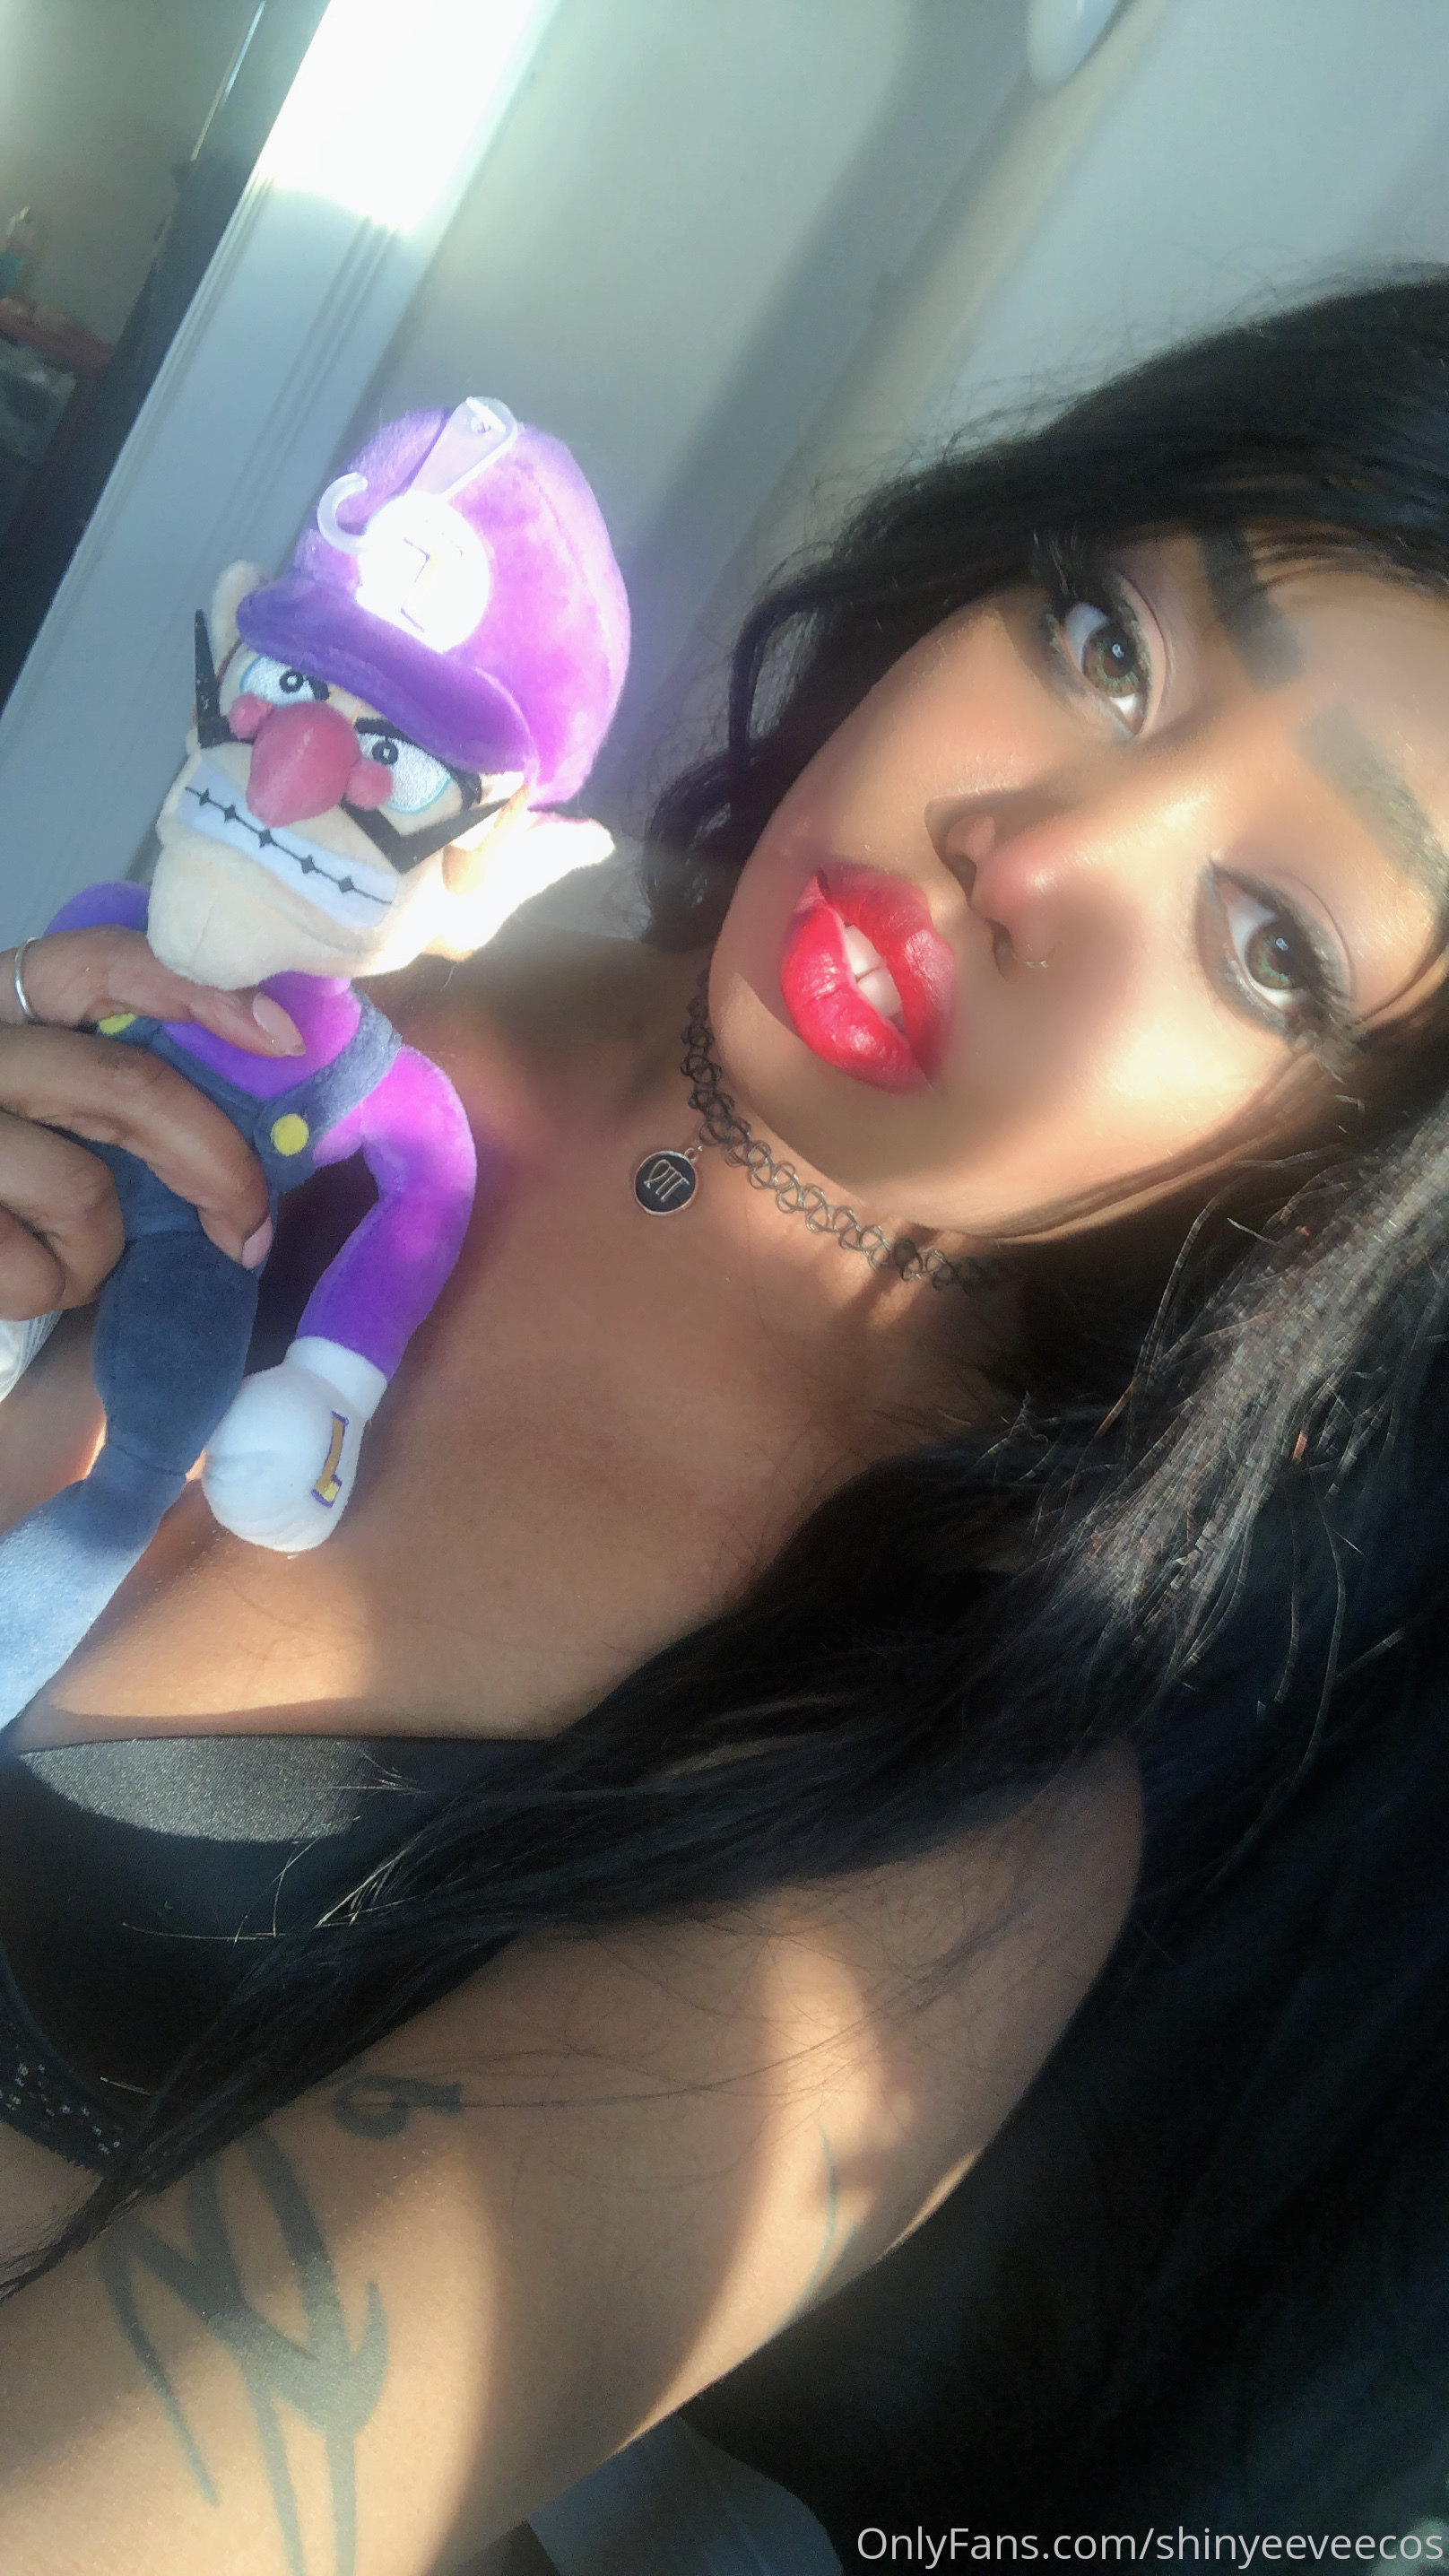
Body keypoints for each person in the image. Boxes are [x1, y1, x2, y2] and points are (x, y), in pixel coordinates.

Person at [0, 273, 1446, 2563]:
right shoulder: (350, 928)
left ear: (1351, 1157)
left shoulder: (937, 1810)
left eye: (1271, 940)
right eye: (1105, 640)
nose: (1032, 850)